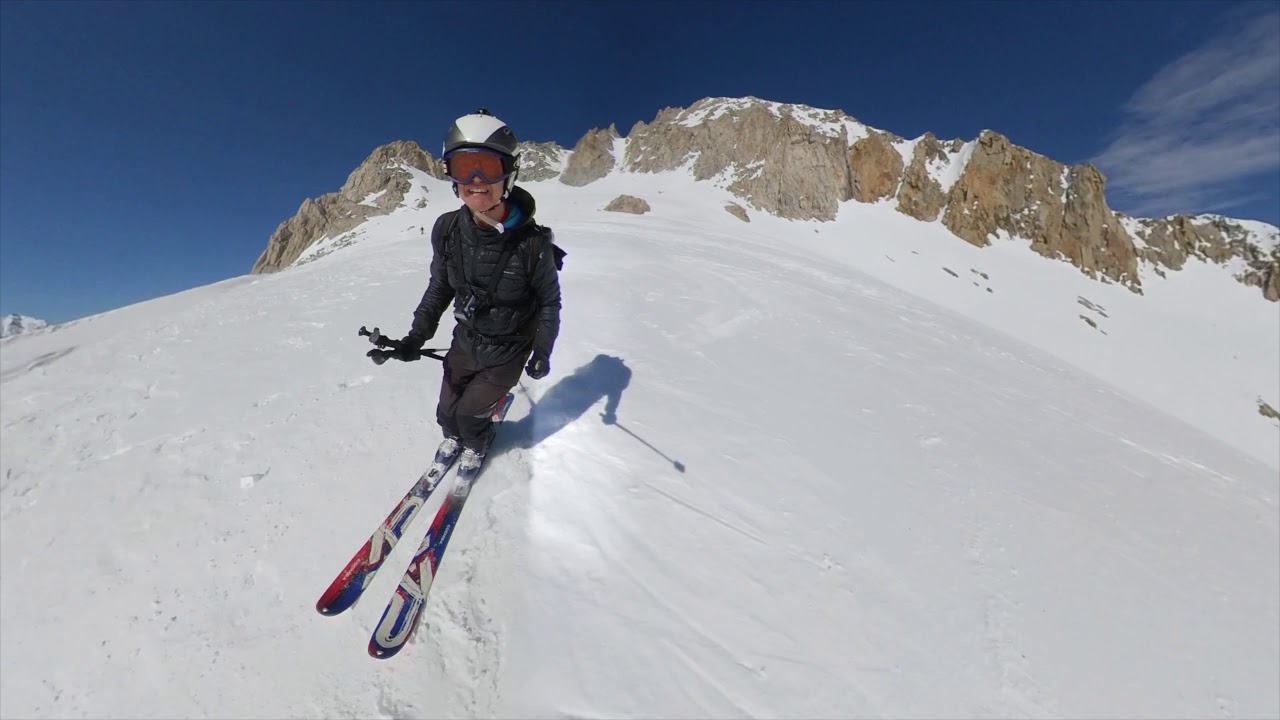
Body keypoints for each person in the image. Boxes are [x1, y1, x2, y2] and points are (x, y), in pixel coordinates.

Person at [396, 108, 561, 472]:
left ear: (509, 174)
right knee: (446, 412)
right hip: (465, 341)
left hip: (507, 350)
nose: (474, 180)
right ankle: (454, 435)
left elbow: (549, 302)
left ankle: (478, 441)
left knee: (470, 416)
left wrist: (542, 351)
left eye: (487, 168)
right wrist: (415, 337)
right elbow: (439, 286)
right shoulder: (447, 229)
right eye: (462, 167)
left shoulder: (534, 245)